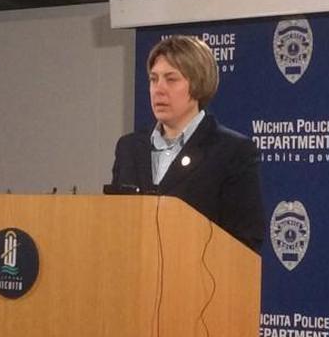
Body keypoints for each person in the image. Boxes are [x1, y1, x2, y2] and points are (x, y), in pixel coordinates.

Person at [111, 35, 265, 251]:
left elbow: (245, 241)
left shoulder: (231, 151)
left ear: (198, 83)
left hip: (200, 281)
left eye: (171, 79)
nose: (159, 89)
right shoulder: (129, 148)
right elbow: (115, 226)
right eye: (153, 79)